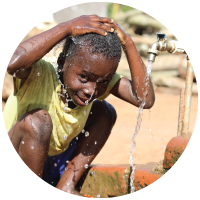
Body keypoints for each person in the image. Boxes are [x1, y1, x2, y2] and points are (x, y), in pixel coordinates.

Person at [3, 15, 155, 196]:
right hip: (20, 149)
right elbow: (13, 63)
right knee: (39, 122)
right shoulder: (39, 72)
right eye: (83, 77)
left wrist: (128, 44)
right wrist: (67, 28)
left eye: (103, 82)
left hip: (50, 161)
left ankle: (67, 185)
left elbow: (145, 99)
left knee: (104, 112)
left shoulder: (95, 78)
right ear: (62, 62)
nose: (91, 90)